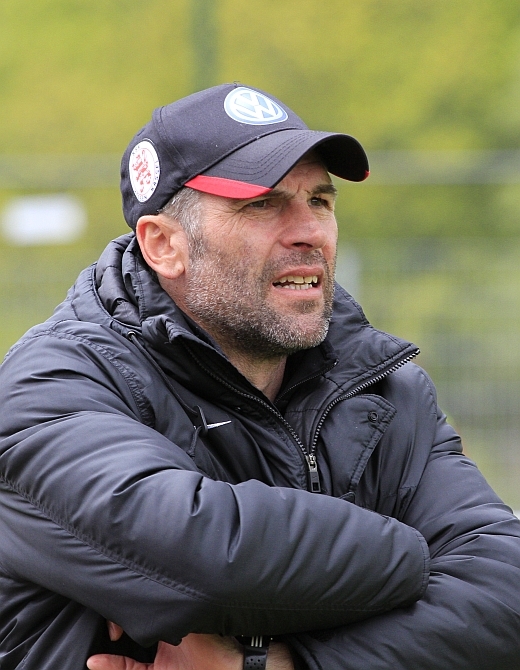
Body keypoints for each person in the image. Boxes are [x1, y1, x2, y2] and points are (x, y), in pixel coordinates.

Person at [0, 84, 519, 670]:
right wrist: (415, 556)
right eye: (263, 204)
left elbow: (506, 589)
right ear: (163, 245)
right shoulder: (54, 383)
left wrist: (289, 663)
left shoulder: (386, 391)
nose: (310, 231)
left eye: (319, 200)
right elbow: (205, 561)